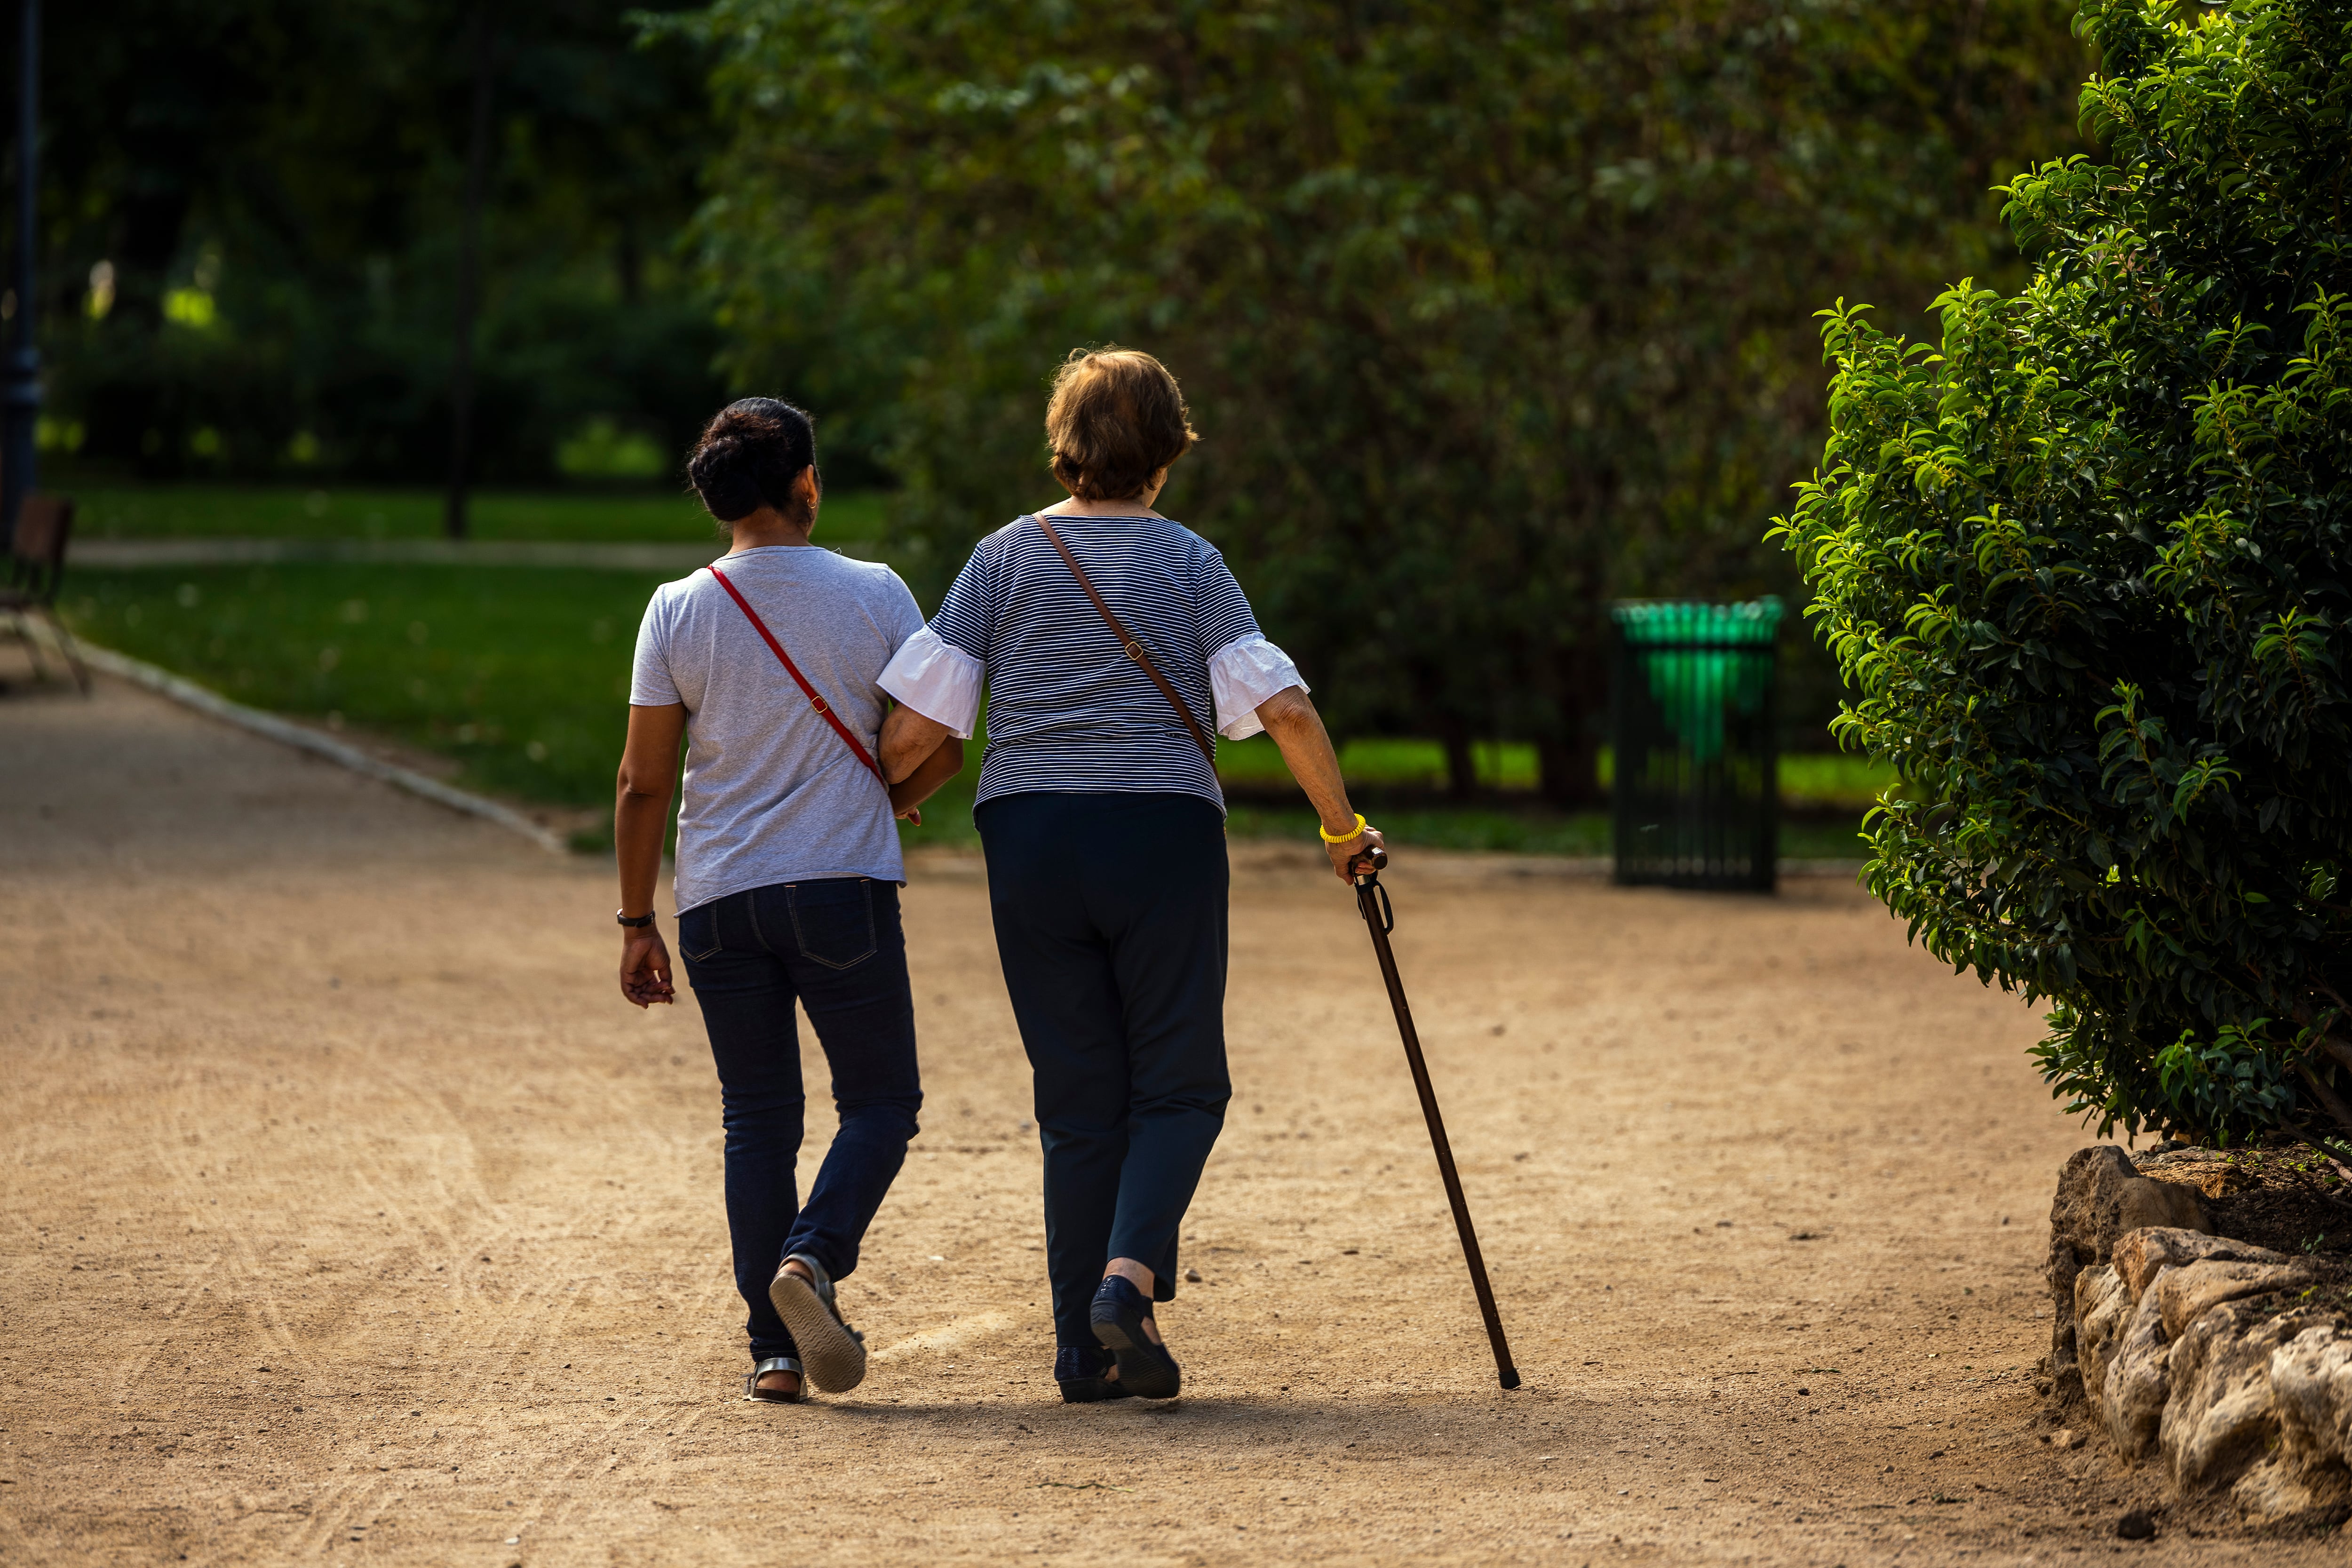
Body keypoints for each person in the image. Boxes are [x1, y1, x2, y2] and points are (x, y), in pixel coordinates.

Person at [875, 347, 1383, 1402]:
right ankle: (1126, 1279)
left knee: (1077, 1097)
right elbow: (1281, 707)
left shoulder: (1000, 559)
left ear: (1065, 447)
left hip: (1027, 837)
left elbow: (917, 721)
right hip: (1159, 836)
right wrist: (1344, 830)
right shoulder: (1192, 563)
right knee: (1183, 1081)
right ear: (1165, 451)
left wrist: (892, 798)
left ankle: (1084, 1352)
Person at [612, 397, 964, 1404]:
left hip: (720, 899)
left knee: (756, 1118)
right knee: (883, 1103)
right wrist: (895, 797)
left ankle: (772, 1348)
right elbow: (940, 730)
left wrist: (638, 921)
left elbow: (642, 780)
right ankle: (809, 1259)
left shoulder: (676, 608)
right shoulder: (876, 590)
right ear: (807, 484)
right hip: (840, 889)